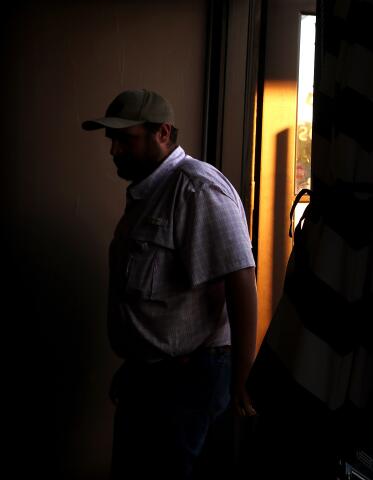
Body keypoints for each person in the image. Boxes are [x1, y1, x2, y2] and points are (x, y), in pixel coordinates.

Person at [84, 89, 258, 479]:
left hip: (187, 381)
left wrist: (244, 378)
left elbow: (240, 278)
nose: (113, 151)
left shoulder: (198, 188)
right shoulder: (150, 193)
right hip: (149, 378)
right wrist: (135, 366)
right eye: (111, 140)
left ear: (162, 133)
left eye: (125, 139)